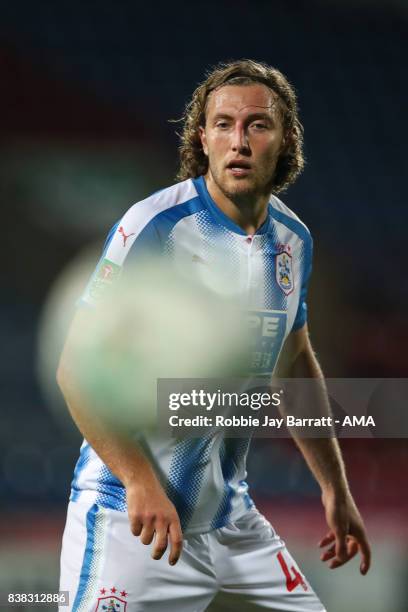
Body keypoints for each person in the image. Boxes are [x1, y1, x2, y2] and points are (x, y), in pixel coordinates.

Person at [57, 59, 371, 612]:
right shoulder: (155, 226)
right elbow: (74, 370)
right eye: (223, 124)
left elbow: (295, 364)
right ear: (201, 139)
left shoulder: (293, 240)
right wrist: (139, 482)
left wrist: (335, 487)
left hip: (230, 522)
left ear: (285, 138)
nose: (239, 141)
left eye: (257, 124)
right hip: (134, 519)